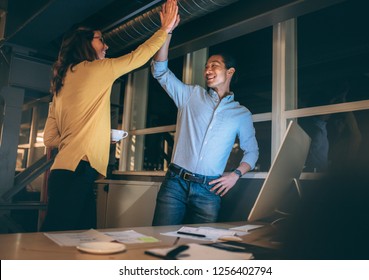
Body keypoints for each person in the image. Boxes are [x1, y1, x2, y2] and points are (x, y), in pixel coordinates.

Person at [41, 0, 179, 231]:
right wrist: (164, 30)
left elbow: (49, 139)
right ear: (85, 43)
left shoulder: (62, 83)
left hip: (65, 171)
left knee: (78, 238)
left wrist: (92, 137)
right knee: (57, 240)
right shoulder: (95, 70)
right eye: (101, 40)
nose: (106, 46)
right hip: (78, 171)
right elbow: (137, 57)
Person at [151, 18, 259, 226]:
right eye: (206, 66)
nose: (207, 70)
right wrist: (167, 31)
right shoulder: (191, 95)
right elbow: (160, 71)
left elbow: (252, 152)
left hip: (209, 191)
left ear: (230, 72)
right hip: (175, 184)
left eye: (214, 66)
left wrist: (235, 175)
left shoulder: (241, 114)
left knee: (201, 250)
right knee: (158, 241)